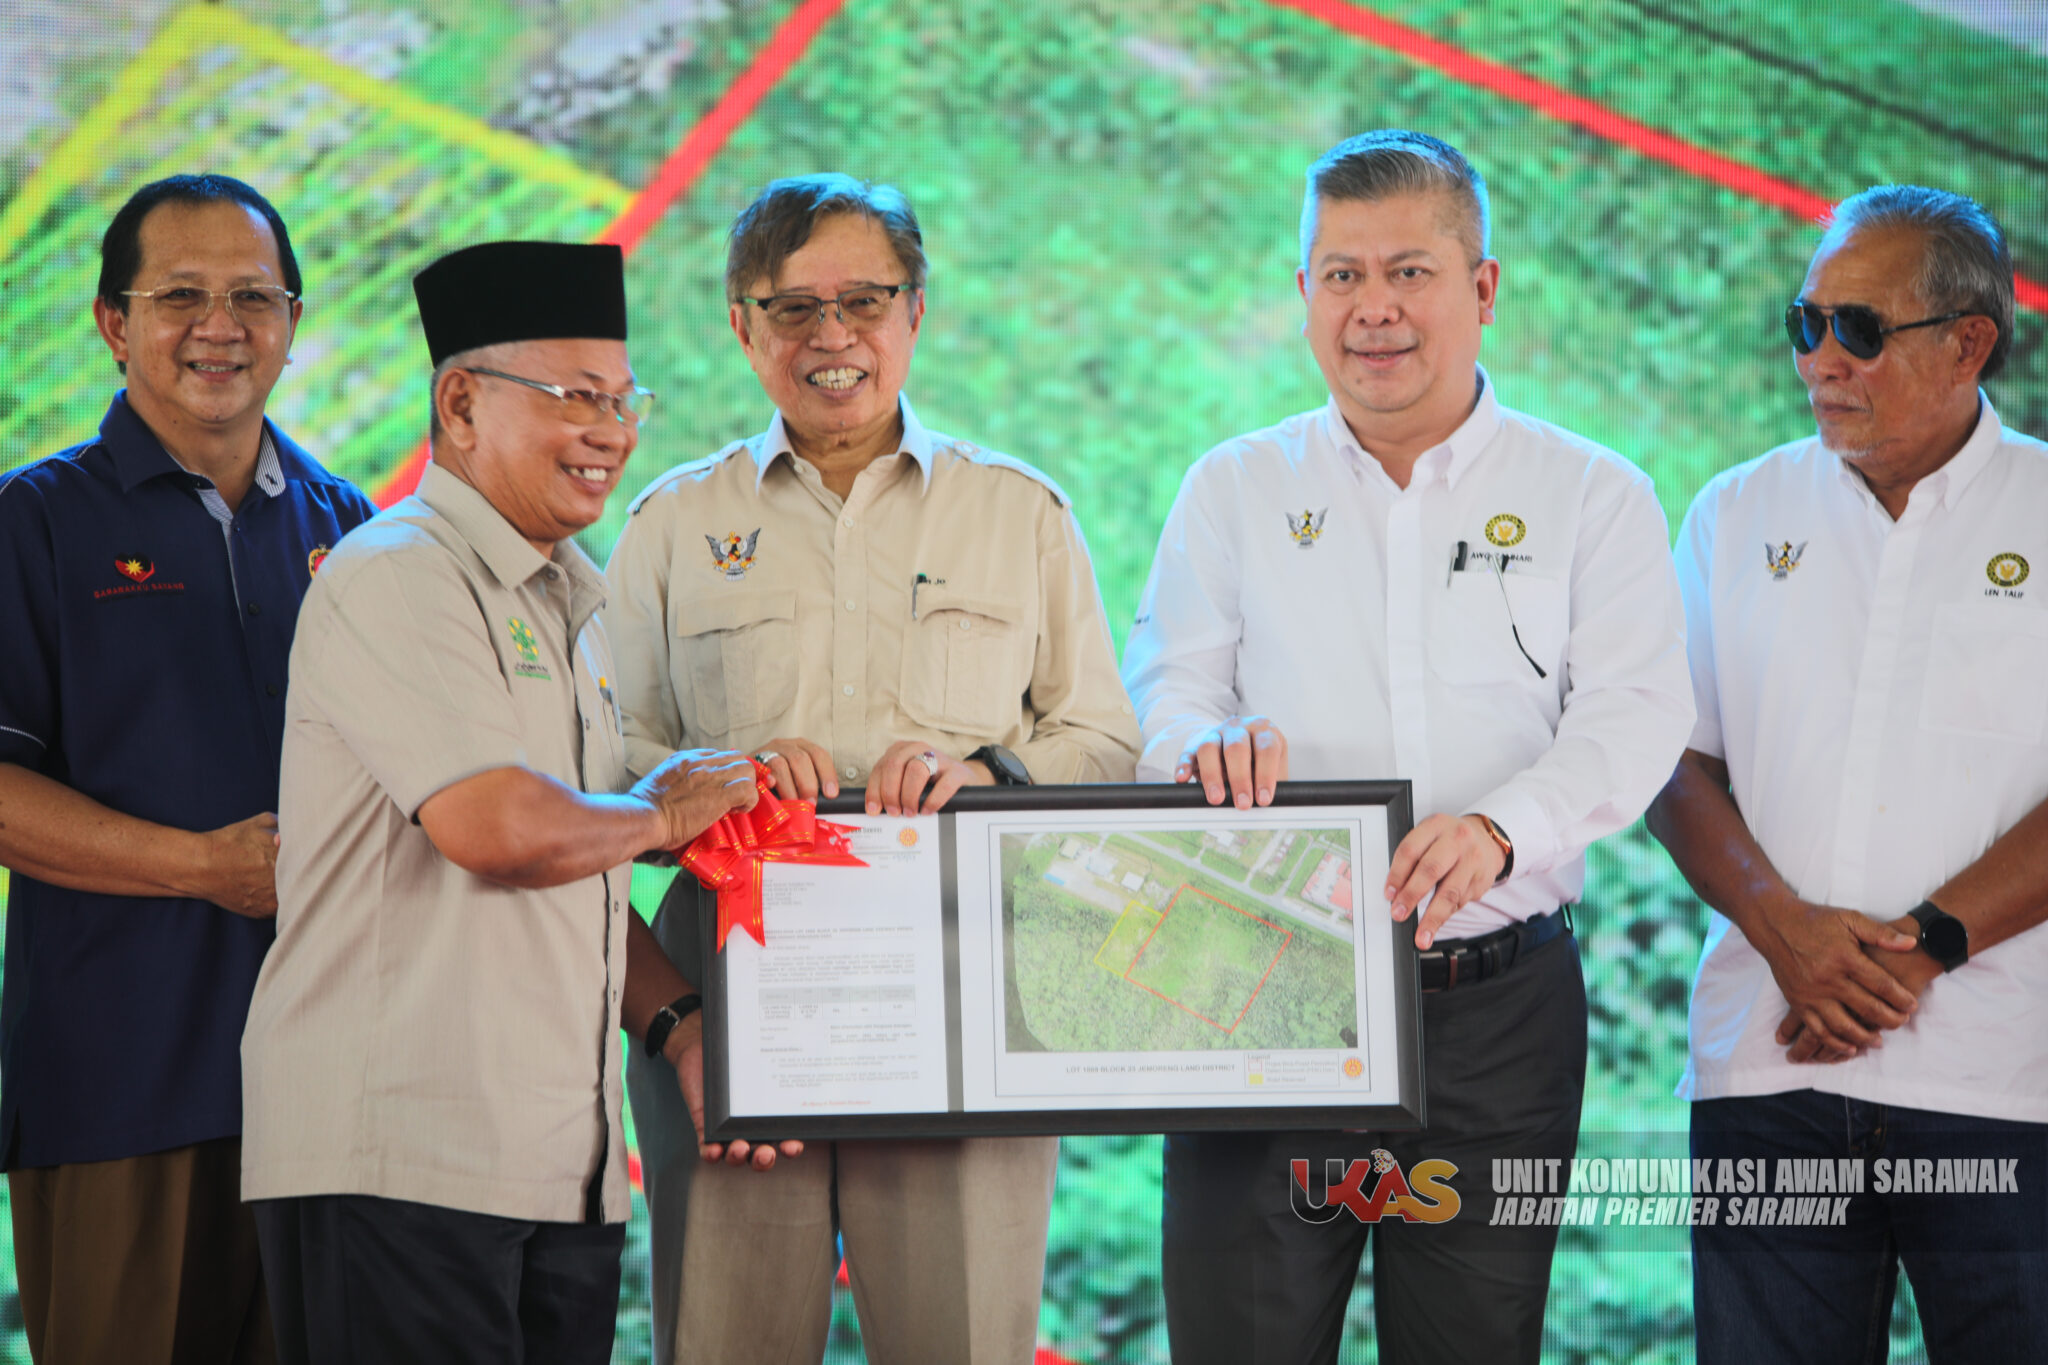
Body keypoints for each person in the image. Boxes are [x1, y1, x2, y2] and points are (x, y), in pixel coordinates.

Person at [1120, 130, 1695, 1363]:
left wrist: (1500, 831)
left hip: (1495, 1015)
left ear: (1481, 288)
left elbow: (1635, 712)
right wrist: (1199, 743)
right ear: (1303, 293)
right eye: (1340, 275)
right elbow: (1165, 690)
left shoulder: (1590, 492)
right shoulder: (1233, 486)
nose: (1370, 309)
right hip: (1259, 996)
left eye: (1407, 273)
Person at [605, 173, 1141, 1365]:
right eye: (792, 307)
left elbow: (1105, 739)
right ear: (741, 324)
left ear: (915, 312)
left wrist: (987, 776)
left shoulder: (1018, 513)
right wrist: (716, 776)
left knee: (965, 1336)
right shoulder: (671, 524)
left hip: (965, 992)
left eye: (864, 300)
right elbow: (605, 761)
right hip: (732, 998)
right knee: (726, 1337)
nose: (831, 335)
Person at [238, 240, 776, 1365]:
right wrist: (664, 811)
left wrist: (679, 1027)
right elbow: (496, 829)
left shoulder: (571, 603)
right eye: (575, 397)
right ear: (461, 404)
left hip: (558, 1171)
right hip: (400, 1162)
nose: (611, 432)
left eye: (623, 401)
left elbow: (577, 871)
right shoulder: (400, 571)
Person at [1647, 185, 2048, 1365]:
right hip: (1766, 1062)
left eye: (1858, 331)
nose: (1819, 360)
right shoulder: (1733, 511)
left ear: (1966, 344)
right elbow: (1669, 757)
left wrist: (1917, 951)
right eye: (1804, 324)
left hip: (2007, 1078)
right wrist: (1784, 937)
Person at [0, 173, 374, 1364]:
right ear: (113, 322)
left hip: (335, 1099)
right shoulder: (33, 523)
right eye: (181, 297)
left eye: (254, 297)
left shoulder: (354, 528)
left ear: (294, 321)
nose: (222, 326)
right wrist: (199, 867)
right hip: (123, 1084)